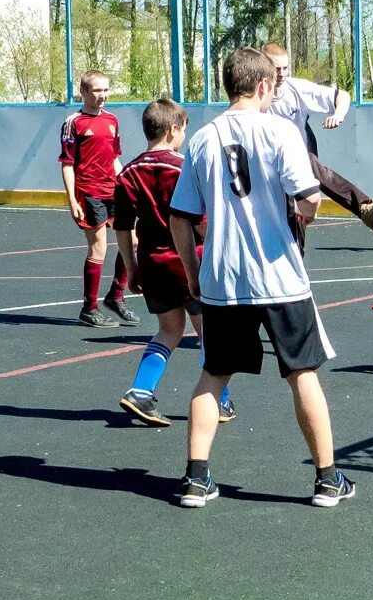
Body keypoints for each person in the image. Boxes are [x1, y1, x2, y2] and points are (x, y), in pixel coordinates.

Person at [166, 46, 355, 509]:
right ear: (265, 85)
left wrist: (193, 274)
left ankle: (196, 479)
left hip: (223, 278)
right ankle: (327, 480)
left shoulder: (203, 138)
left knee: (212, 374)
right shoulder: (280, 131)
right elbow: (309, 199)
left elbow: (181, 217)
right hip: (279, 277)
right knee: (303, 373)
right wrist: (300, 212)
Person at [113, 97, 236, 428]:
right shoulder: (183, 168)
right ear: (173, 129)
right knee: (208, 332)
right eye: (183, 129)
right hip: (188, 264)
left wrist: (132, 267)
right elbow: (199, 223)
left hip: (152, 265)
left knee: (168, 330)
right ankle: (219, 401)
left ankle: (140, 390)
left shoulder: (127, 172)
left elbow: (122, 228)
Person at [262, 42, 373, 234]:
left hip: (296, 159)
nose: (282, 74)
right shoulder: (256, 94)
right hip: (267, 164)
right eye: (276, 68)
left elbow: (342, 96)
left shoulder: (296, 89)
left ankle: (364, 208)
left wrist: (338, 114)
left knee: (306, 163)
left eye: (285, 68)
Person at [58, 69, 134, 329]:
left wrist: (126, 182)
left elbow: (114, 158)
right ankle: (89, 308)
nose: (103, 95)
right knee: (99, 247)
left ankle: (116, 295)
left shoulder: (112, 120)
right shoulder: (74, 123)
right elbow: (67, 164)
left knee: (132, 241)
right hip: (89, 192)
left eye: (106, 90)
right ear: (84, 92)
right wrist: (72, 200)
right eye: (97, 90)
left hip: (113, 190)